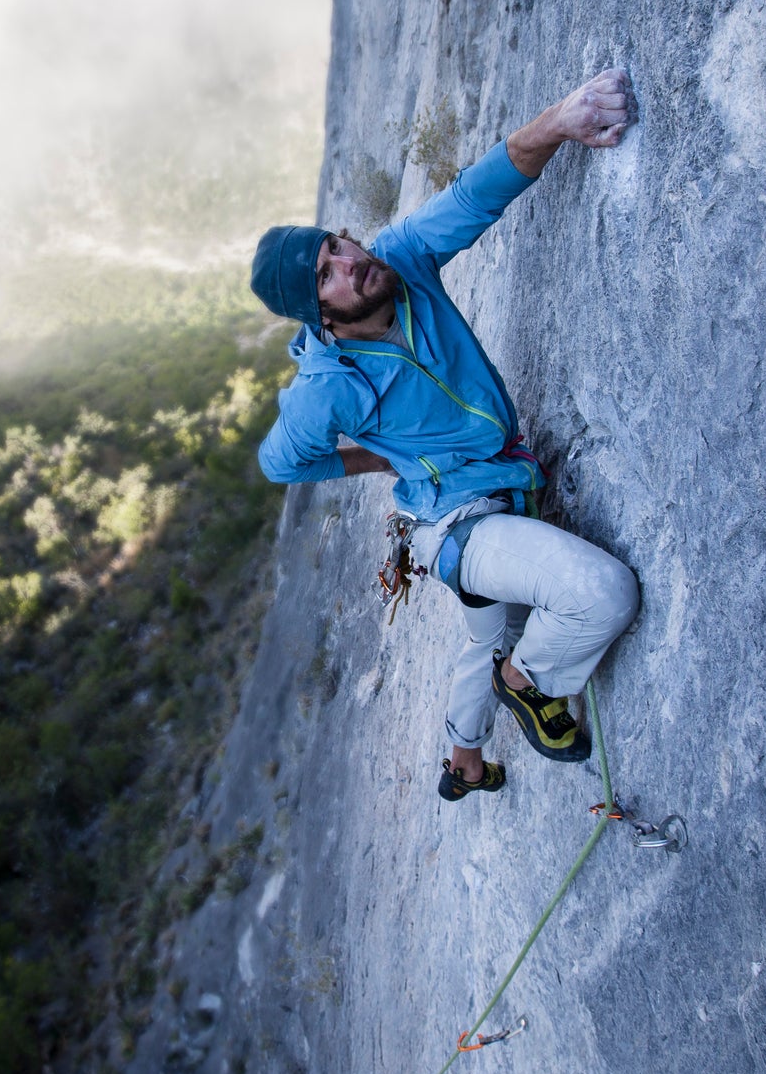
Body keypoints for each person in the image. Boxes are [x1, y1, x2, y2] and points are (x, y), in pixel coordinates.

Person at [249, 69, 641, 803]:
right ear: (318, 314)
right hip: (459, 524)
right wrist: (374, 460)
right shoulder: (327, 386)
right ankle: (529, 683)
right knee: (598, 594)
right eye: (327, 272)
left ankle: (463, 760)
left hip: (489, 494)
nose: (350, 260)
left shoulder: (401, 262)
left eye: (337, 244)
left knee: (481, 638)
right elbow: (281, 462)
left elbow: (476, 193)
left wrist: (559, 120)